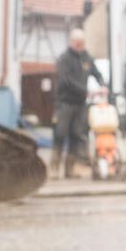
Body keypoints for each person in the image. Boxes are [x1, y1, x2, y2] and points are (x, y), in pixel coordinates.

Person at [51, 28, 106, 178]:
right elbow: (66, 80)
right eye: (78, 43)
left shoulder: (86, 57)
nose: (80, 46)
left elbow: (96, 73)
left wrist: (102, 84)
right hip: (65, 103)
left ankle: (70, 169)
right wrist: (85, 91)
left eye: (82, 43)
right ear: (72, 42)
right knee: (60, 134)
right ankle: (54, 169)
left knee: (76, 135)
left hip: (80, 104)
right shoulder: (64, 59)